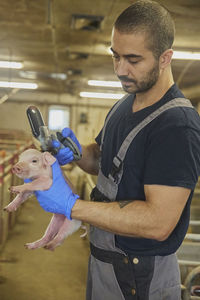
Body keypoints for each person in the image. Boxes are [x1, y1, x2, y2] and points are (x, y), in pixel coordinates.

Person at [35, 1, 200, 299]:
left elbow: (158, 223)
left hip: (141, 276)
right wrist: (74, 153)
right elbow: (102, 160)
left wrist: (72, 206)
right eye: (116, 56)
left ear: (165, 58)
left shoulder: (177, 126)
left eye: (133, 60)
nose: (120, 70)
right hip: (106, 260)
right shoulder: (124, 104)